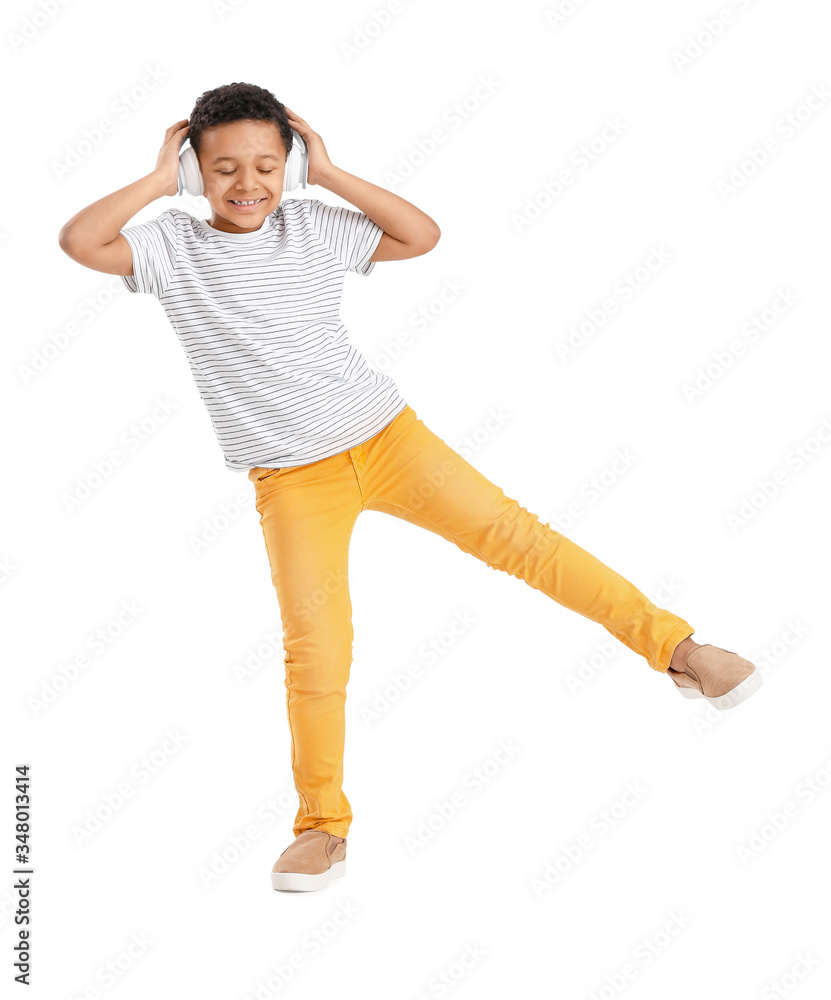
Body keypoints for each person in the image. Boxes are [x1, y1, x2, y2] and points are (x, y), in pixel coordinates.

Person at [58, 82, 762, 895]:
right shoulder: (172, 247)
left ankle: (677, 649)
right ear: (193, 172)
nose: (246, 183)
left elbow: (418, 234)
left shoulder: (310, 223)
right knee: (316, 645)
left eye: (264, 164)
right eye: (221, 169)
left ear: (290, 163)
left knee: (524, 543)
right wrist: (155, 180)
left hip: (387, 437)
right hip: (292, 478)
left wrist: (327, 172)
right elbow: (82, 241)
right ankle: (321, 825)